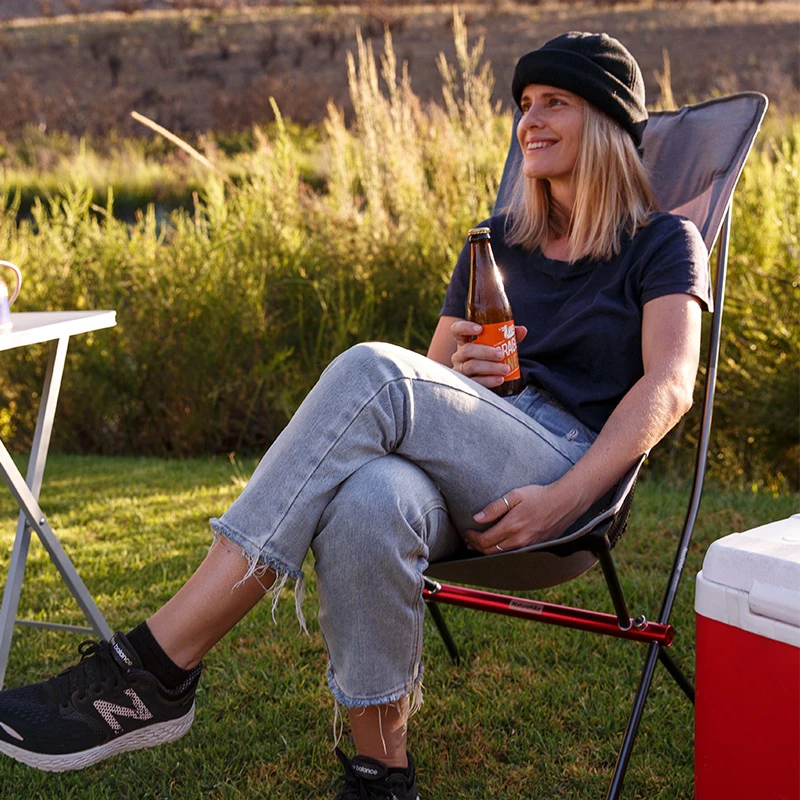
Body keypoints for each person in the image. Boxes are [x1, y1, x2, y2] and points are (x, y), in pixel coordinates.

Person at [0, 31, 711, 798]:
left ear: (605, 123)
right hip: (475, 454)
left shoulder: (663, 242)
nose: (529, 121)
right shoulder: (497, 241)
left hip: (564, 467)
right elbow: (429, 378)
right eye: (525, 105)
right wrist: (457, 373)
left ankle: (155, 666)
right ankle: (382, 773)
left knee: (373, 368)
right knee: (372, 498)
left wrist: (566, 499)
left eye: (554, 103)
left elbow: (671, 387)